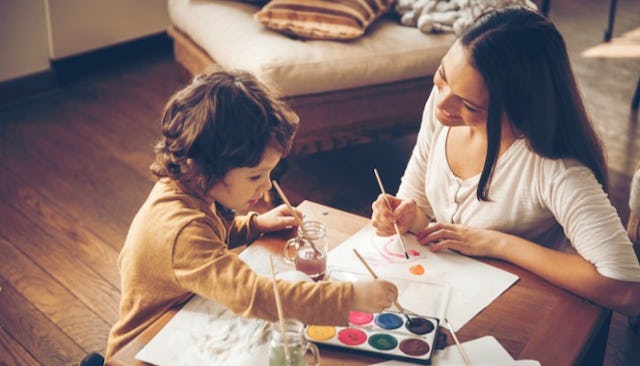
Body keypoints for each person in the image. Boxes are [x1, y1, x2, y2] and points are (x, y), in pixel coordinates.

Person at [104, 70, 398, 362]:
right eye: (256, 175)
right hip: (147, 344)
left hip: (188, 313)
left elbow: (211, 234)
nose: (267, 185)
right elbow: (253, 295)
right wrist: (349, 298)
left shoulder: (191, 189)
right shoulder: (181, 229)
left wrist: (253, 225)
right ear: (205, 167)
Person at [370, 6, 640, 316]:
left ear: (521, 110)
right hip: (448, 297)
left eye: (469, 105)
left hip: (521, 313)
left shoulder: (555, 169)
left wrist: (499, 244)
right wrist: (407, 217)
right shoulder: (445, 104)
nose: (443, 104)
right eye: (442, 77)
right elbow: (414, 201)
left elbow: (627, 290)